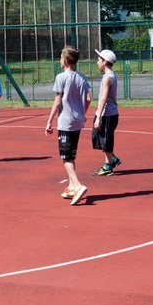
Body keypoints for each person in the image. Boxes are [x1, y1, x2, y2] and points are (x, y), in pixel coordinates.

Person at [45, 46, 91, 206]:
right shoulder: (82, 77)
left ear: (64, 61)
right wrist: (83, 114)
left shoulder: (61, 77)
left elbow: (57, 102)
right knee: (70, 154)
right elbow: (88, 99)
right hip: (78, 121)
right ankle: (71, 186)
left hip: (66, 121)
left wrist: (49, 121)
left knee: (65, 157)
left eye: (60, 57)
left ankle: (78, 186)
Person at [92, 49, 121, 176]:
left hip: (108, 114)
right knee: (97, 137)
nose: (97, 62)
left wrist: (98, 117)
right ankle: (112, 159)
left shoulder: (107, 78)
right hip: (104, 112)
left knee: (105, 139)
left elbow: (103, 98)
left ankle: (108, 166)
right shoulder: (107, 76)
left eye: (99, 60)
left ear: (105, 62)